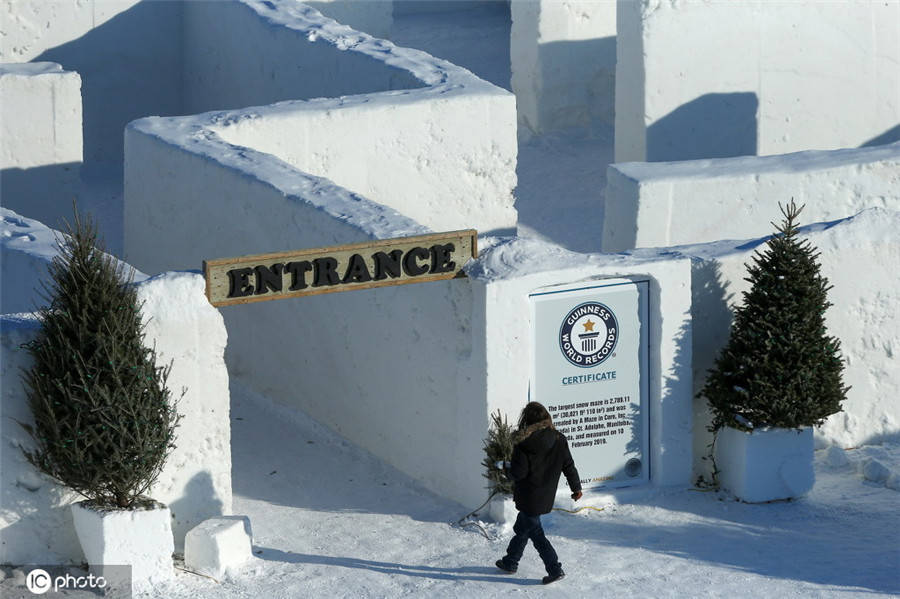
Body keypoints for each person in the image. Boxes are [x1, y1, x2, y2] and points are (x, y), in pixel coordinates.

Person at [496, 401, 582, 585]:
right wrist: (576, 488)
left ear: (526, 420)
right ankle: (510, 561)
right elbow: (569, 465)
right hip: (545, 495)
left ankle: (554, 569)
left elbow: (519, 473)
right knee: (522, 527)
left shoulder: (524, 443)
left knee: (535, 533)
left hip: (529, 496)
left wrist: (504, 467)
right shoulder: (559, 439)